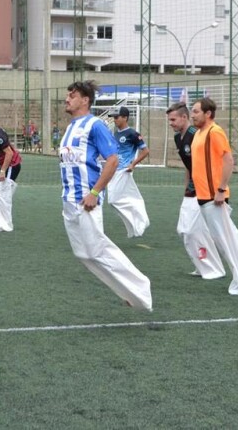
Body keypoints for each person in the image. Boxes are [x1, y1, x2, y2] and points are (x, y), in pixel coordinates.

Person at [58, 80, 152, 311]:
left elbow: (113, 159)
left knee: (98, 249)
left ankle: (141, 288)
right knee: (84, 254)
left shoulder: (95, 125)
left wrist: (94, 192)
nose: (67, 99)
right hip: (69, 201)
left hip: (85, 201)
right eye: (67, 95)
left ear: (85, 100)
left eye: (72, 95)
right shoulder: (71, 127)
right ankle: (129, 293)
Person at [190, 97, 238, 295]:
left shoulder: (215, 132)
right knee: (228, 238)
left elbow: (228, 160)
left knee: (227, 240)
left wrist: (221, 190)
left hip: (214, 196)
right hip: (204, 195)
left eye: (196, 111)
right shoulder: (198, 133)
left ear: (208, 114)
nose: (192, 114)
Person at [166, 103, 226, 280]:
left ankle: (213, 268)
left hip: (205, 189)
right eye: (169, 120)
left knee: (194, 230)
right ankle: (203, 266)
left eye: (173, 119)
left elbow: (217, 160)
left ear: (184, 118)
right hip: (192, 189)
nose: (171, 123)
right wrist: (186, 187)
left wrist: (219, 189)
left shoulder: (195, 135)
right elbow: (189, 166)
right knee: (184, 230)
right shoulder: (179, 138)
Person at [107, 106, 150, 238]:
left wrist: (133, 164)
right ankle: (138, 222)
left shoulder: (133, 134)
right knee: (121, 198)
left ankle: (140, 219)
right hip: (115, 170)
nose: (114, 120)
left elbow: (145, 151)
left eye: (116, 117)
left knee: (113, 199)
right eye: (113, 118)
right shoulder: (116, 134)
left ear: (125, 117)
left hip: (124, 170)